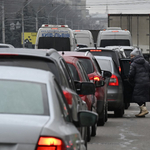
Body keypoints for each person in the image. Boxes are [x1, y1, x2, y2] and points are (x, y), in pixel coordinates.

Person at [129, 47, 150, 117]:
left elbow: (131, 74)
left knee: (136, 97)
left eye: (132, 56)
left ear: (135, 56)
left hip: (138, 82)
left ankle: (144, 109)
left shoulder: (134, 64)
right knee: (143, 96)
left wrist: (130, 80)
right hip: (147, 82)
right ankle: (142, 112)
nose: (131, 57)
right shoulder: (146, 62)